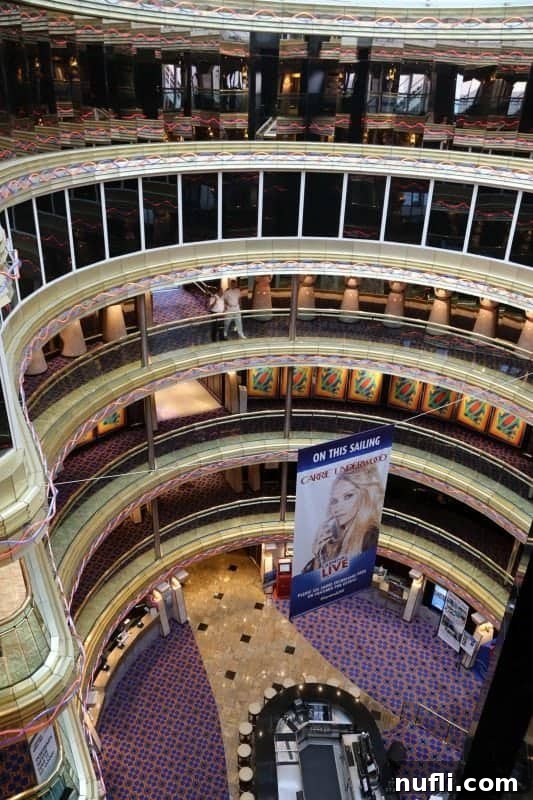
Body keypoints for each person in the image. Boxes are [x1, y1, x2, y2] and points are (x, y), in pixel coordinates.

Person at [302, 464, 384, 573]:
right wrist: (318, 555)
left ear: (363, 497)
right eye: (334, 501)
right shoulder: (334, 537)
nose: (337, 508)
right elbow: (314, 583)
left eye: (348, 496)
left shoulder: (370, 537)